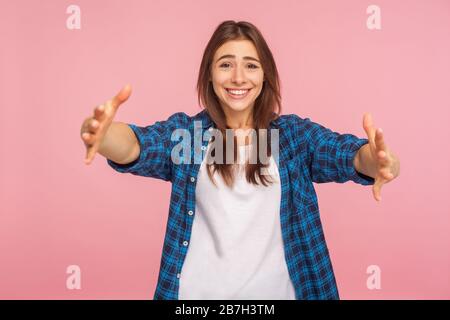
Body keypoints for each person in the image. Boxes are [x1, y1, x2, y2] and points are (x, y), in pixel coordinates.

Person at [80, 20, 400, 300]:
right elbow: (136, 145)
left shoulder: (293, 138)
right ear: (209, 75)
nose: (237, 77)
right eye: (225, 64)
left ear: (265, 75)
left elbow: (349, 156)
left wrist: (378, 162)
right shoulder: (187, 136)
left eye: (250, 65)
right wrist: (102, 134)